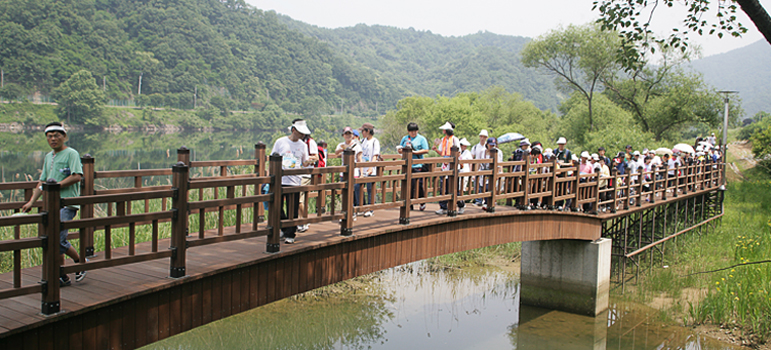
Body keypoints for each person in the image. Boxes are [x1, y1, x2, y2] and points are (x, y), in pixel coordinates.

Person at [21, 122, 87, 286]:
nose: (53, 139)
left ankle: (80, 263)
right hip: (51, 205)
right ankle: (62, 275)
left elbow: (77, 176)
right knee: (54, 239)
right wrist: (31, 201)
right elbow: (42, 181)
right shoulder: (48, 157)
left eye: (57, 135)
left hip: (67, 204)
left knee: (57, 240)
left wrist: (56, 186)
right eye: (50, 136)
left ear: (64, 136)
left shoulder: (71, 153)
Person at [271, 120, 313, 244]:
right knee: (277, 207)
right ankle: (284, 228)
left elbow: (304, 161)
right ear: (293, 130)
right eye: (300, 133)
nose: (302, 136)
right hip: (280, 179)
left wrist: (310, 163)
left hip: (295, 180)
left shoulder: (303, 145)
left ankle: (290, 234)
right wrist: (270, 177)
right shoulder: (280, 142)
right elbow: (272, 158)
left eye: (303, 134)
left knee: (292, 209)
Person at [398, 122, 430, 211]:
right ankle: (409, 204)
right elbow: (400, 148)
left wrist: (414, 152)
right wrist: (401, 151)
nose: (413, 133)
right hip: (407, 165)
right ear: (408, 131)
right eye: (411, 131)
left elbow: (426, 150)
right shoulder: (405, 138)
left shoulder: (421, 139)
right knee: (409, 185)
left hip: (418, 164)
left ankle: (422, 201)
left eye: (415, 131)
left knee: (418, 184)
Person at [336, 127, 364, 217]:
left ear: (353, 135)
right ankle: (345, 211)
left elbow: (359, 160)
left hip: (354, 172)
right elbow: (336, 152)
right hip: (343, 173)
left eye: (350, 134)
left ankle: (353, 211)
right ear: (343, 135)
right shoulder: (341, 144)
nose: (348, 136)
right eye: (346, 134)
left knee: (352, 192)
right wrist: (342, 149)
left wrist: (361, 173)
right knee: (344, 192)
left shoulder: (356, 146)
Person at [434, 122, 460, 215]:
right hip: (444, 166)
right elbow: (442, 153)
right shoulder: (443, 139)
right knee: (443, 187)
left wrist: (451, 160)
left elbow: (458, 152)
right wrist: (436, 150)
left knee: (453, 187)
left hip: (452, 166)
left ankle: (460, 204)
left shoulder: (455, 140)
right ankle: (443, 207)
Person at [297, 125, 319, 233]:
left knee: (299, 199)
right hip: (295, 174)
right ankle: (299, 220)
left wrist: (305, 158)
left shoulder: (310, 142)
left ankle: (304, 220)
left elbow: (316, 157)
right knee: (296, 198)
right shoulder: (296, 142)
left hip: (305, 174)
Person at [358, 123, 380, 218]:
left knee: (370, 190)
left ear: (368, 131)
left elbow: (375, 155)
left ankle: (371, 209)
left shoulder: (375, 141)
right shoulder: (363, 141)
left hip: (371, 170)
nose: (361, 133)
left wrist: (371, 167)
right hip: (363, 169)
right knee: (360, 188)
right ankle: (362, 208)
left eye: (363, 131)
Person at [481, 137, 503, 211]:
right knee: (484, 188)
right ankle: (487, 203)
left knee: (489, 188)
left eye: (493, 145)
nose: (492, 147)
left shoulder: (497, 152)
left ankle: (488, 203)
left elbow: (498, 165)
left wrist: (497, 174)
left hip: (493, 173)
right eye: (490, 145)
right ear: (487, 144)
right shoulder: (483, 152)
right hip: (485, 172)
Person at [471, 130, 489, 206]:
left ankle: (486, 200)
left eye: (484, 137)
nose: (482, 138)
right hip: (478, 168)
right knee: (477, 185)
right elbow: (472, 160)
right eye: (481, 136)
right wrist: (472, 172)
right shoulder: (475, 147)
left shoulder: (488, 147)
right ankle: (478, 200)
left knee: (486, 185)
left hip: (486, 168)